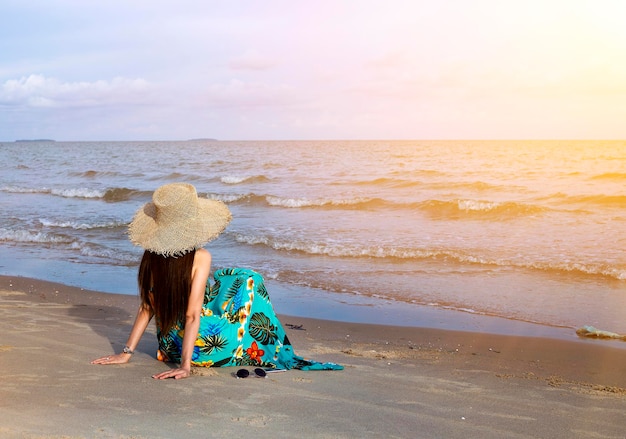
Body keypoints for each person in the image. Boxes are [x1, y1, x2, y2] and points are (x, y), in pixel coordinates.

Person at [91, 183, 342, 379]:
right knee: (248, 280)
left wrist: (126, 353)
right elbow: (192, 316)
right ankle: (268, 348)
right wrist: (186, 366)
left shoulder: (151, 257)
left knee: (224, 282)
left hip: (170, 346)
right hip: (207, 349)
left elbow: (147, 307)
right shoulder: (200, 257)